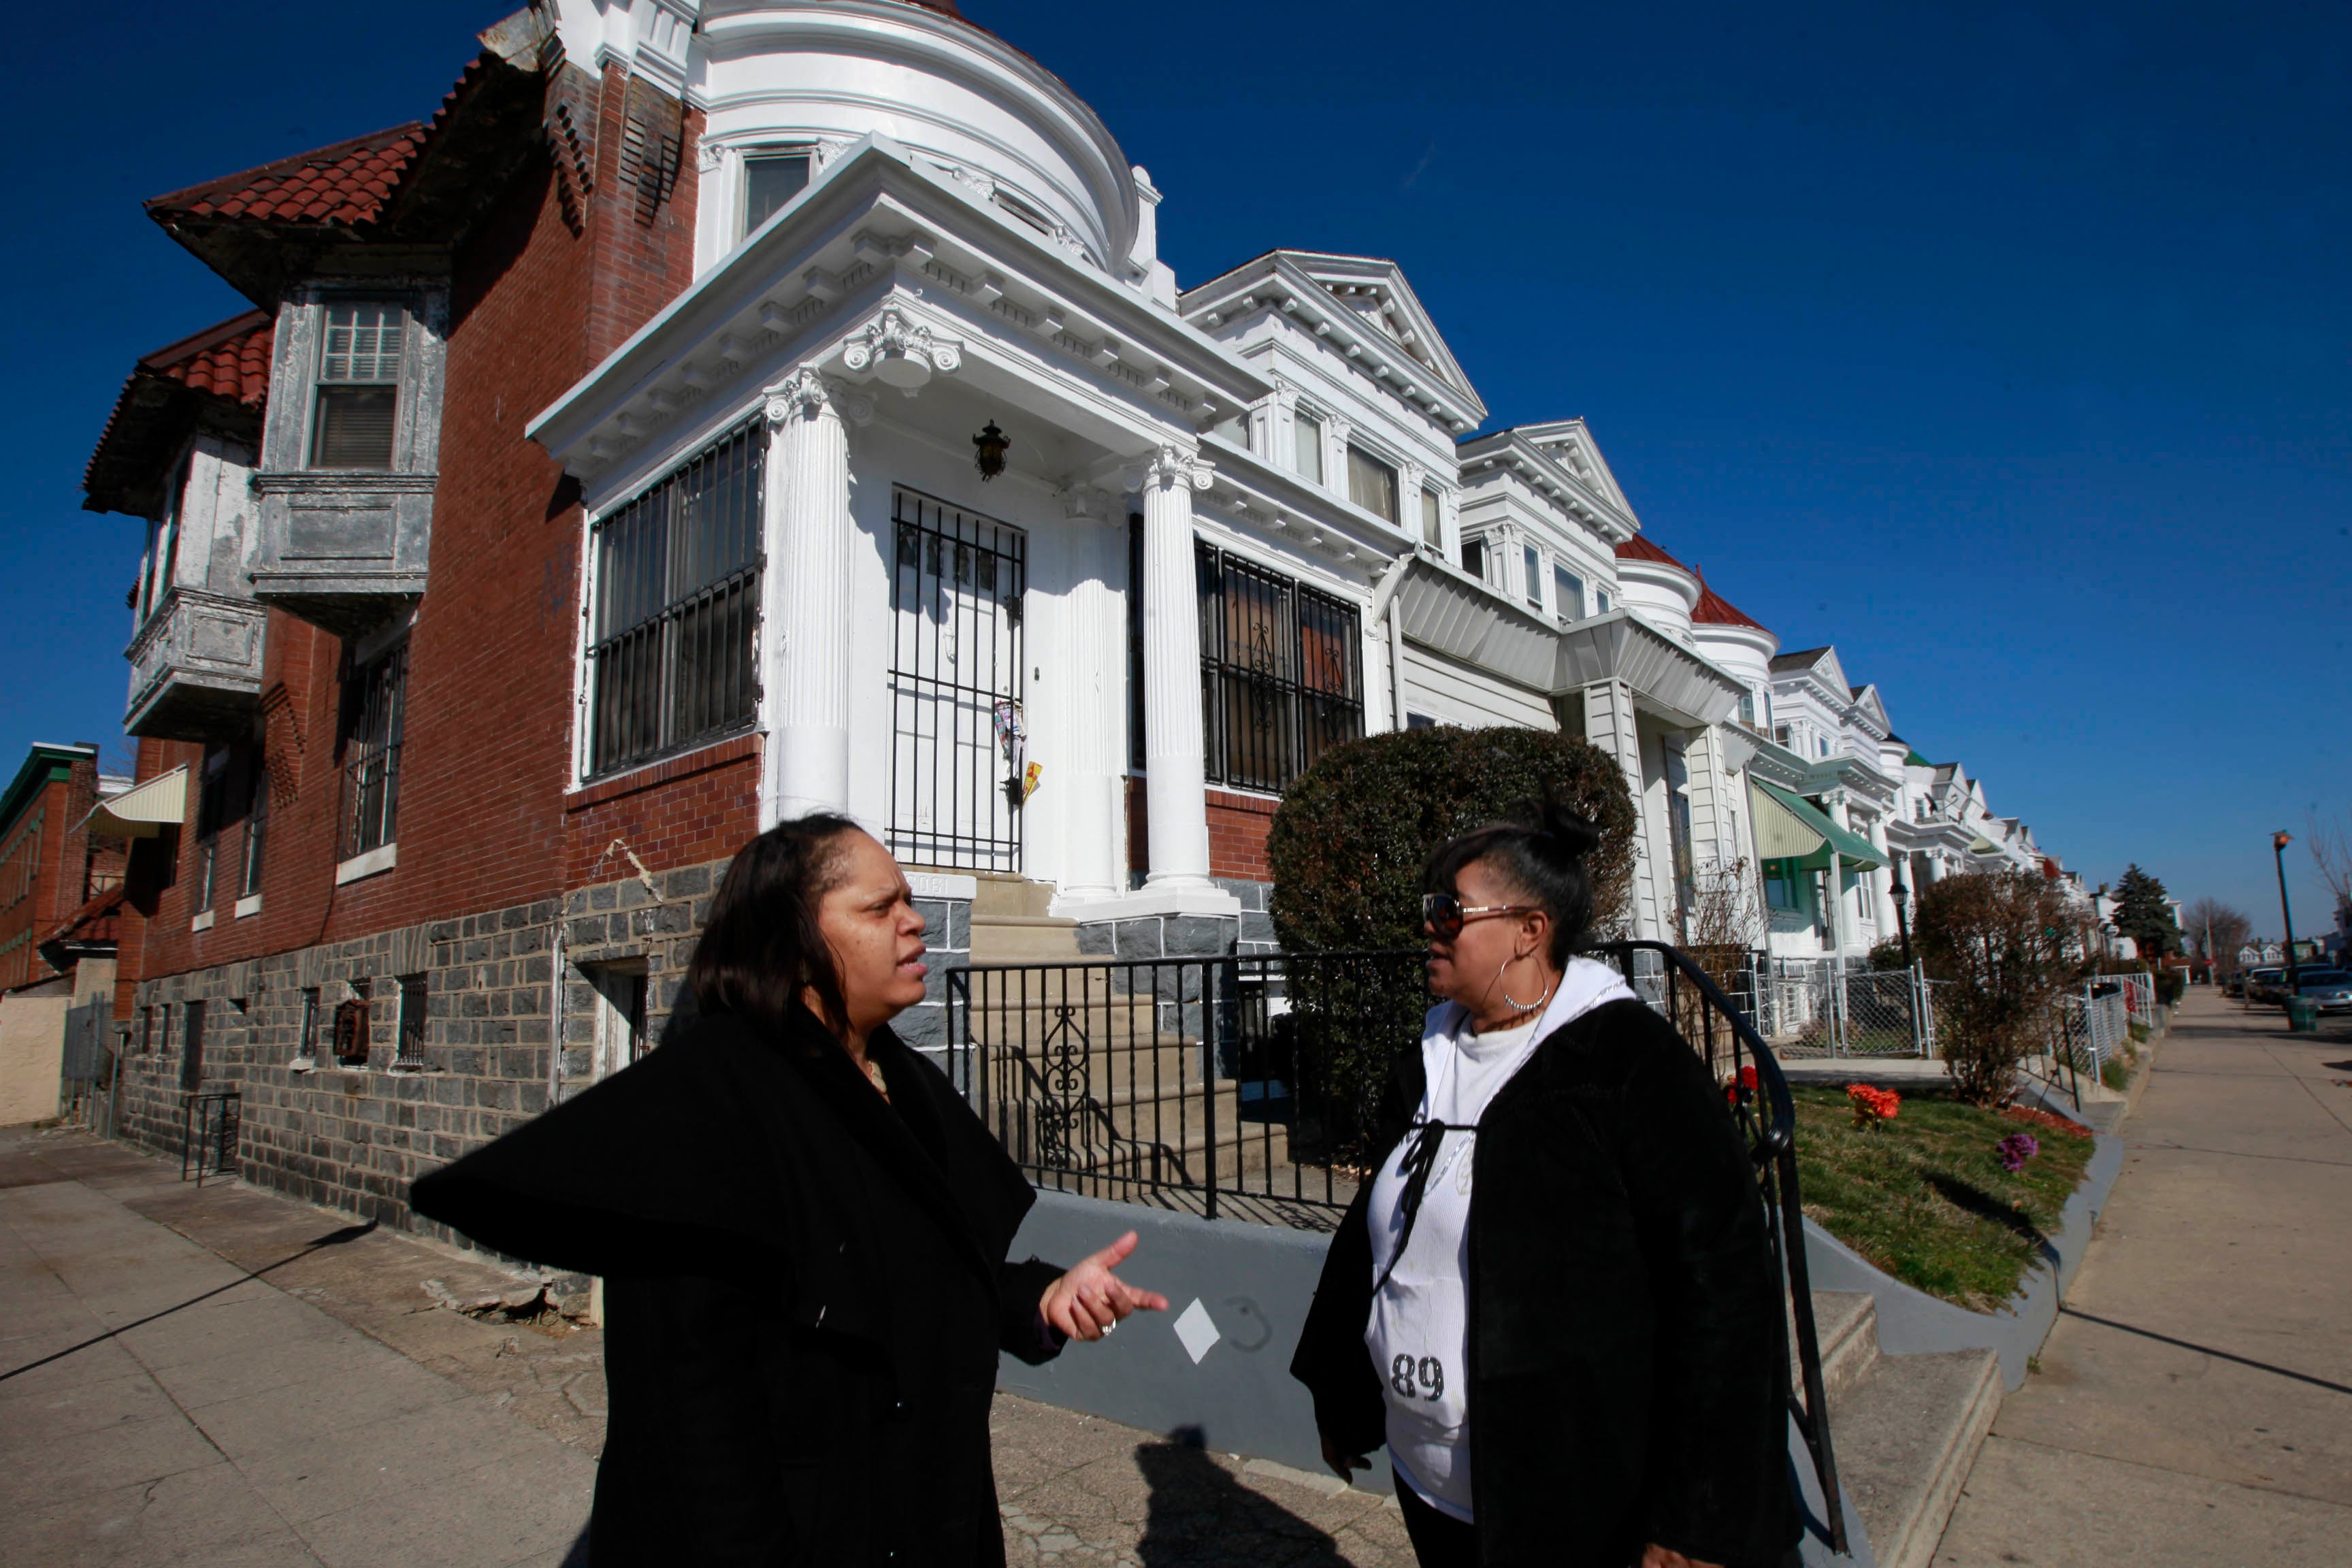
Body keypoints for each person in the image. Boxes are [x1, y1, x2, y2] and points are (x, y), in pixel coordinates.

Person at [412, 815, 1166, 1565]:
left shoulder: (905, 1083)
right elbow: (692, 1410)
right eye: (879, 908)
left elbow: (911, 1277)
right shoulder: (713, 1106)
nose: (914, 924)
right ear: (792, 942)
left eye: (907, 901)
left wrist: (1041, 1300)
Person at [1290, 798, 1799, 1568]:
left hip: (1579, 1502)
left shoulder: (1625, 1063)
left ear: (1530, 929)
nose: (1427, 926)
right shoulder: (1428, 1063)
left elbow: (1722, 1292)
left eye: (1447, 910)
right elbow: (1378, 1236)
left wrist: (1698, 1514)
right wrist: (1342, 1389)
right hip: (1432, 1485)